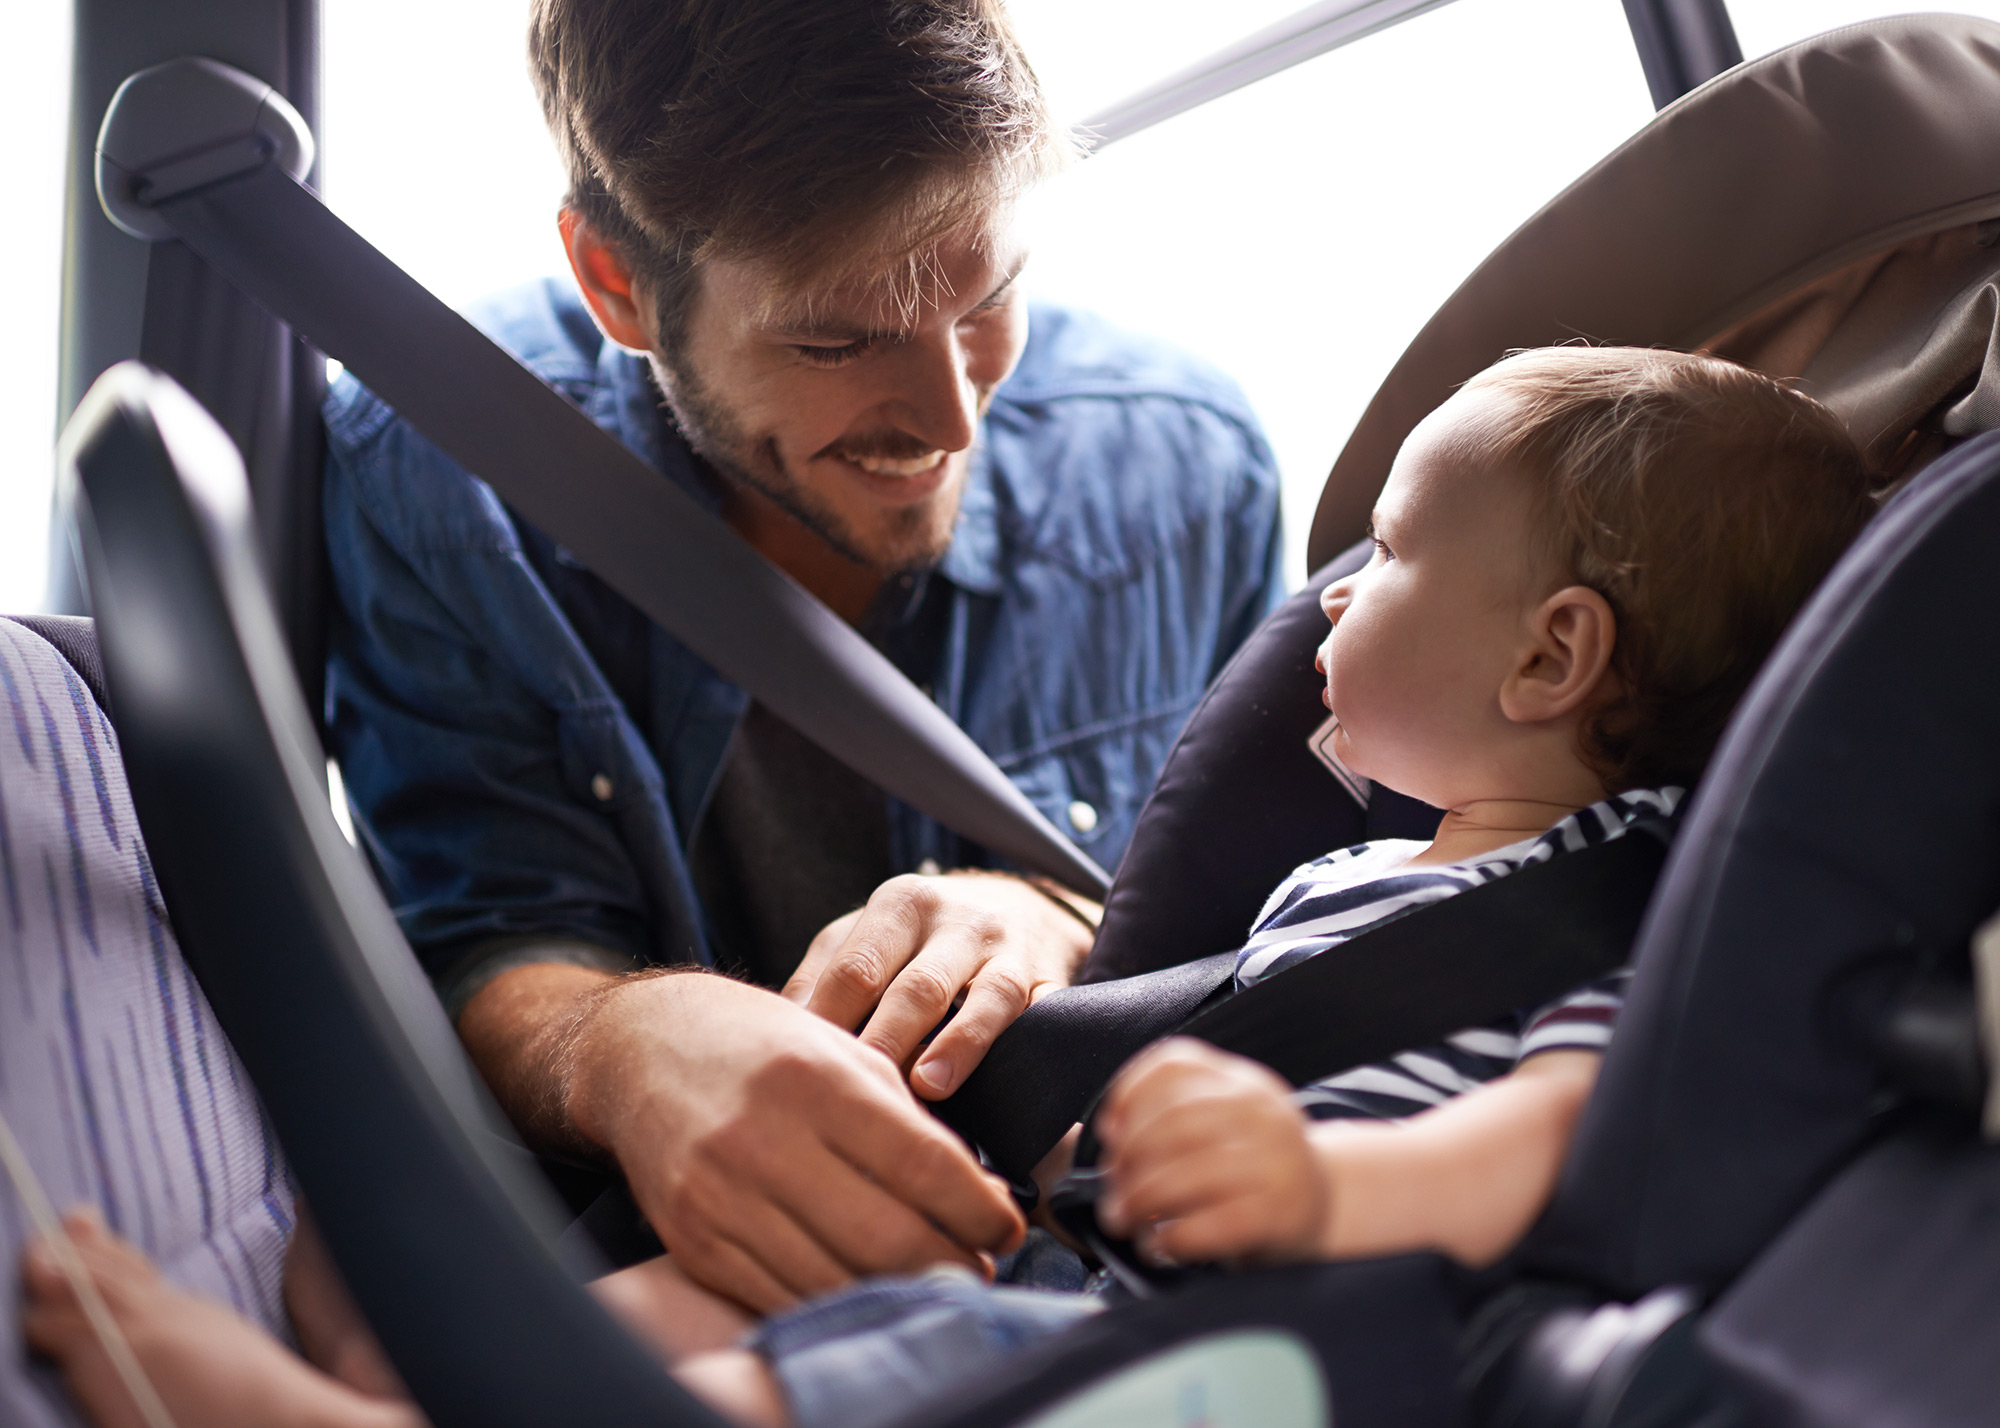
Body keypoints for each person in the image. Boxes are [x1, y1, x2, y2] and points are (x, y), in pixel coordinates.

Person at [21, 345, 1877, 1428]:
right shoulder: (1363, 868)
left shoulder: (1630, 898)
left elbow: (1574, 1124)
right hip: (1076, 1252)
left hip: (1231, 1344)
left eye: (1387, 555)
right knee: (728, 1299)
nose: (1325, 595)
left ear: (1550, 660)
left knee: (850, 1378)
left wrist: (1332, 1179)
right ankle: (451, 1359)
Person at [322, 0, 1285, 1313]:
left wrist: (1064, 919)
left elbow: (1299, 901)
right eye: (837, 338)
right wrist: (623, 1047)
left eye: (989, 292)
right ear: (618, 283)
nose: (951, 413)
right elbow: (486, 926)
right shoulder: (438, 477)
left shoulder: (1188, 465)